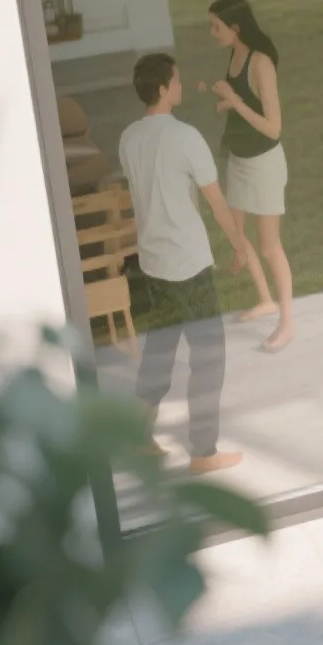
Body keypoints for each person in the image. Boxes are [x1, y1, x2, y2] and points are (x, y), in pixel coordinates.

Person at [121, 53, 251, 474]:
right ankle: (203, 451)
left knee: (160, 346)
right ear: (163, 88)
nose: (180, 86)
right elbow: (216, 202)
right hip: (189, 262)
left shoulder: (128, 139)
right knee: (208, 355)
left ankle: (139, 436)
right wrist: (239, 245)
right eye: (176, 81)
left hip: (154, 260)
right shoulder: (186, 137)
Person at [206, 0, 294, 353]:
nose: (212, 33)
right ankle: (265, 299)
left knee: (269, 246)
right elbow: (245, 103)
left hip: (263, 164)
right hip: (239, 160)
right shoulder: (235, 53)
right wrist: (229, 101)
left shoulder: (260, 65)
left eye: (216, 26)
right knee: (235, 232)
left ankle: (287, 323)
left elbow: (274, 128)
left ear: (236, 28)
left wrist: (235, 102)